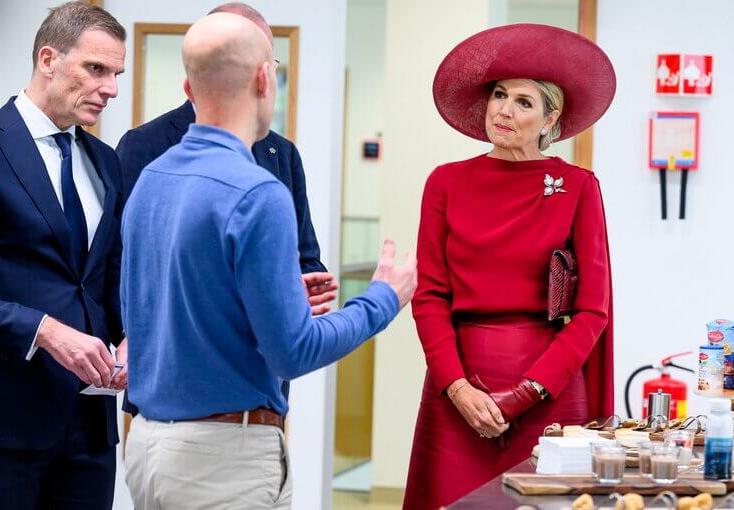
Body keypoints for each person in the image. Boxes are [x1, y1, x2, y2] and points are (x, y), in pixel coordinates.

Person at [121, 13, 416, 510]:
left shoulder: (152, 176)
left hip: (149, 449)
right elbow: (292, 352)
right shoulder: (257, 191)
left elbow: (157, 306)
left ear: (190, 85)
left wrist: (267, 293)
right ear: (265, 79)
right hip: (222, 462)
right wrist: (383, 299)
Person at [403, 24, 617, 509]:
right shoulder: (446, 183)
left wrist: (525, 393)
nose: (503, 109)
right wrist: (457, 388)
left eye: (524, 101)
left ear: (550, 118)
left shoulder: (578, 186)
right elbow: (430, 295)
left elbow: (592, 312)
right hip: (458, 389)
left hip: (550, 392)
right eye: (499, 94)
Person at [115, 2, 335, 417]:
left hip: (260, 390)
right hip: (171, 380)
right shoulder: (146, 147)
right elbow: (122, 260)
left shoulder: (280, 154)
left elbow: (305, 257)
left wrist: (299, 289)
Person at [0, 2, 127, 508]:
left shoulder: (105, 162)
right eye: (96, 69)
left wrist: (129, 337)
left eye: (116, 73)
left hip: (91, 431)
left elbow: (109, 277)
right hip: (5, 428)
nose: (110, 88)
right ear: (48, 59)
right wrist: (43, 331)